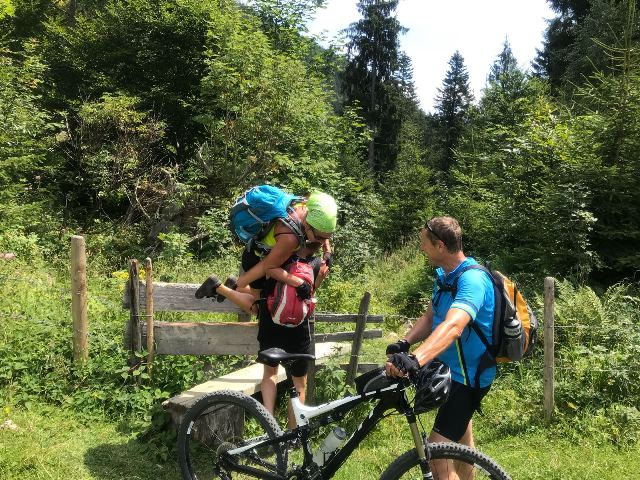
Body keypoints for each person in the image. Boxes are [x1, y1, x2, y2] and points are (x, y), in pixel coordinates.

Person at [195, 191, 338, 428]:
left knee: (261, 309)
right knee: (297, 379)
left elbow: (272, 270)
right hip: (290, 315)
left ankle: (269, 426)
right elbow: (276, 272)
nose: (324, 241)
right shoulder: (294, 246)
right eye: (322, 238)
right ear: (309, 229)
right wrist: (309, 278)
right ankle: (290, 433)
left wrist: (327, 251)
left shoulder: (304, 213)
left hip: (266, 284)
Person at [385, 216, 496, 478]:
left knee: (436, 454)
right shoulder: (446, 277)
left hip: (468, 378)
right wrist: (405, 342)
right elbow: (430, 317)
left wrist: (416, 359)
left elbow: (454, 326)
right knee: (462, 444)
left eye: (424, 243)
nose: (421, 248)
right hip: (451, 372)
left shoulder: (473, 280)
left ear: (440, 246)